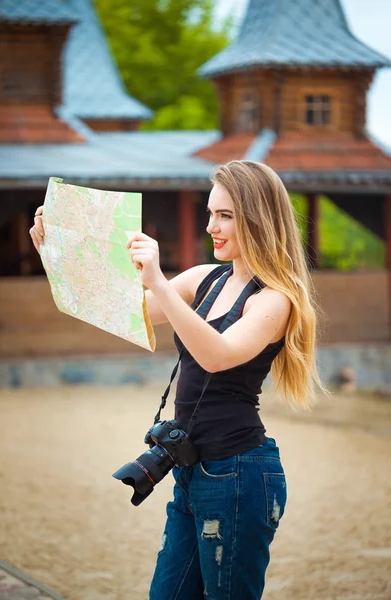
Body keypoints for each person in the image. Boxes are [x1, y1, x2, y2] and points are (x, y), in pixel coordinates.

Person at [29, 160, 328, 600]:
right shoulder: (205, 279)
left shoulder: (276, 300)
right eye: (210, 213)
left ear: (258, 219)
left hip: (240, 473)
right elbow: (112, 306)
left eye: (225, 215)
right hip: (189, 470)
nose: (212, 226)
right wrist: (53, 251)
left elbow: (217, 356)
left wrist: (158, 282)